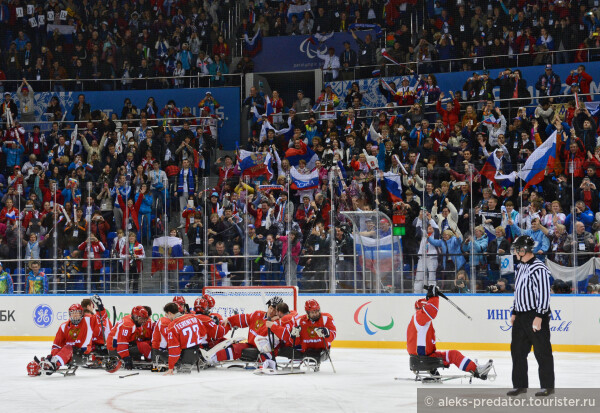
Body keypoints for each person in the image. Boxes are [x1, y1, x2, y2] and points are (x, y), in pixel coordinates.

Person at [407, 286, 493, 379]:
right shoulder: (419, 317)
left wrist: (431, 297)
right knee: (454, 355)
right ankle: (477, 370)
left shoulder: (418, 321)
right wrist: (434, 297)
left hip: (422, 357)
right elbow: (431, 311)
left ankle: (474, 367)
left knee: (452, 354)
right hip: (423, 358)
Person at [507, 236, 555, 397]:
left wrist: (540, 316)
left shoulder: (538, 268)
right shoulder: (520, 266)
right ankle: (520, 385)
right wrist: (514, 312)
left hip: (535, 315)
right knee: (517, 351)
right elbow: (518, 292)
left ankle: (547, 386)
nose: (514, 251)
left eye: (516, 248)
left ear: (523, 250)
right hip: (520, 317)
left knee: (542, 351)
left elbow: (544, 294)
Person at [35, 304, 97, 375]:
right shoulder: (64, 326)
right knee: (61, 349)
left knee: (68, 347)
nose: (75, 315)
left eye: (77, 313)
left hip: (82, 354)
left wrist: (99, 308)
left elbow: (99, 319)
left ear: (81, 314)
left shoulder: (88, 322)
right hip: (69, 353)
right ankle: (50, 362)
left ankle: (55, 363)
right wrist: (52, 355)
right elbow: (57, 345)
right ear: (69, 314)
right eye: (73, 313)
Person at [163, 302, 207, 375]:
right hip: (197, 354)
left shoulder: (172, 326)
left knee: (164, 353)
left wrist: (171, 367)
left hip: (185, 357)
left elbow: (174, 348)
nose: (167, 316)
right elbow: (203, 333)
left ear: (169, 313)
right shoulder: (193, 317)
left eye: (167, 314)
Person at [107, 306, 151, 371]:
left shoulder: (132, 320)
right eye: (142, 319)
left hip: (119, 346)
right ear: (136, 317)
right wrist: (126, 358)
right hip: (115, 349)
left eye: (145, 319)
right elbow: (122, 343)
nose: (144, 321)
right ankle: (154, 359)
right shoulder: (127, 325)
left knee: (144, 344)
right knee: (143, 346)